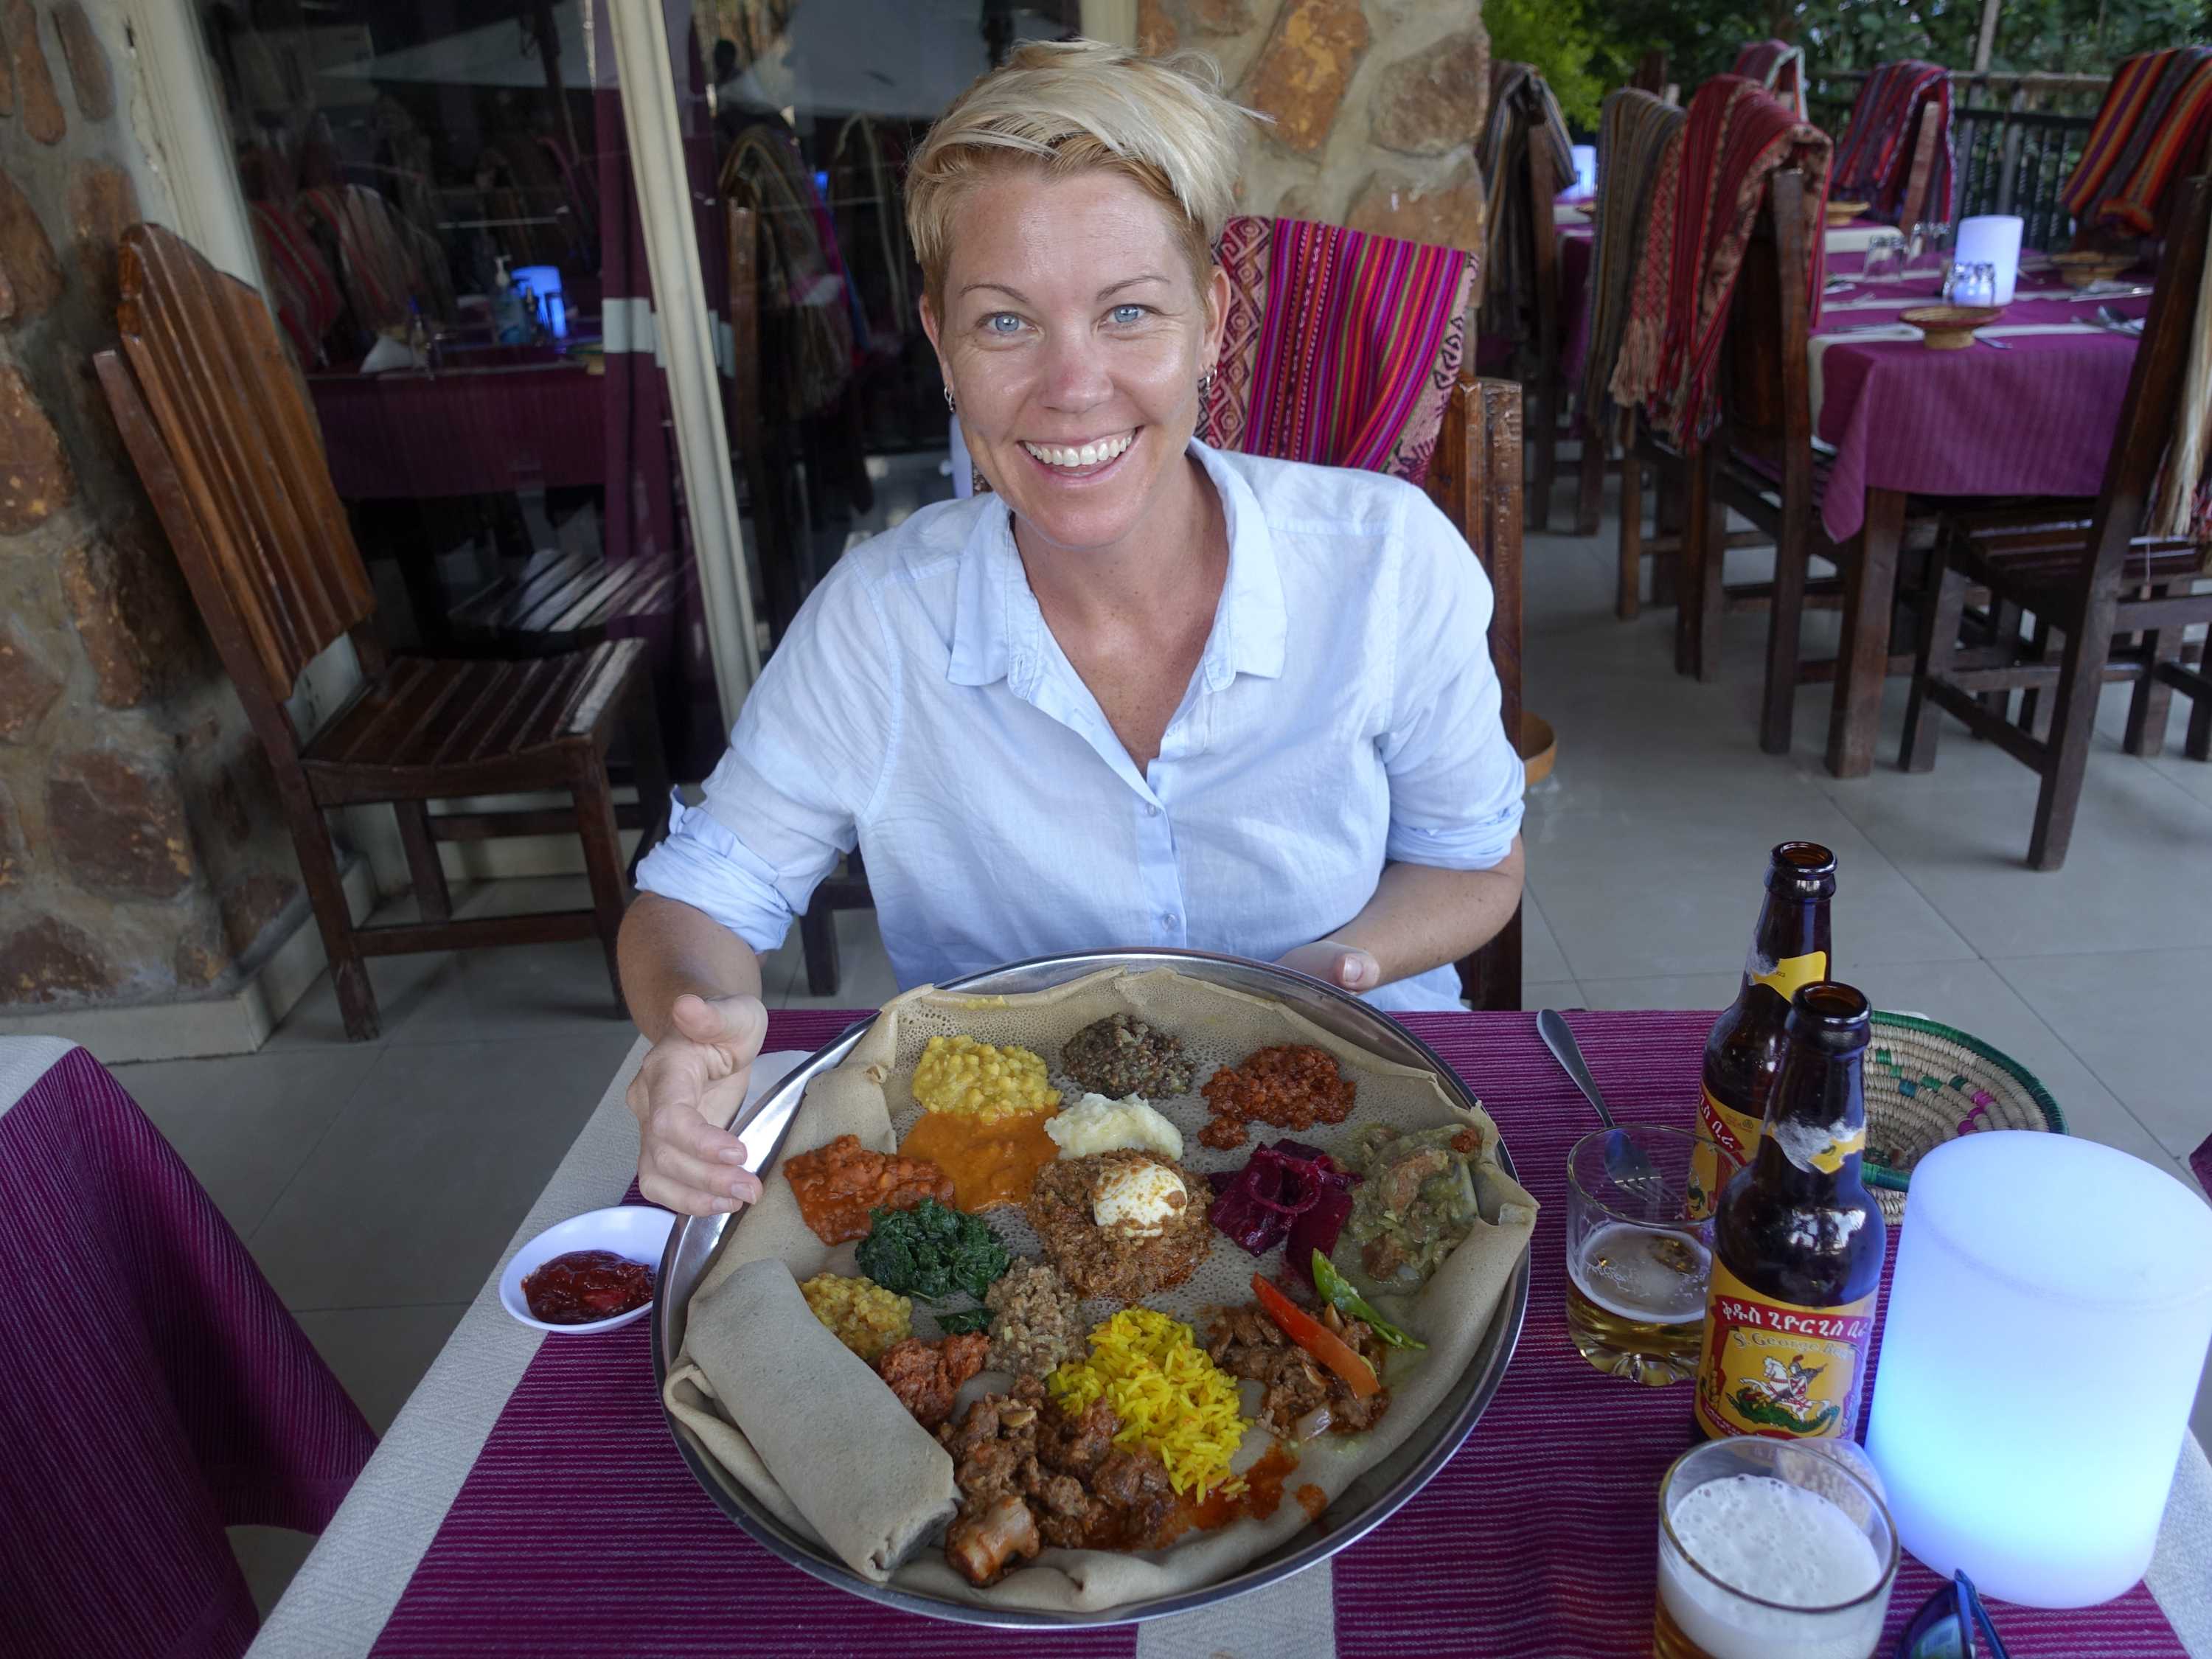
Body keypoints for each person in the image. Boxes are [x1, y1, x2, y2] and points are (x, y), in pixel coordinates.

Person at [619, 40, 1526, 1217]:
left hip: (1362, 1111)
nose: (1073, 386)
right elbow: (697, 903)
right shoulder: (878, 622)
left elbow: (1478, 861)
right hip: (1013, 1176)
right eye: (1006, 326)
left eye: (1129, 312)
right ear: (942, 346)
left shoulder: (1388, 562)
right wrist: (700, 1021)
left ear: (1212, 317)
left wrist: (1313, 979)